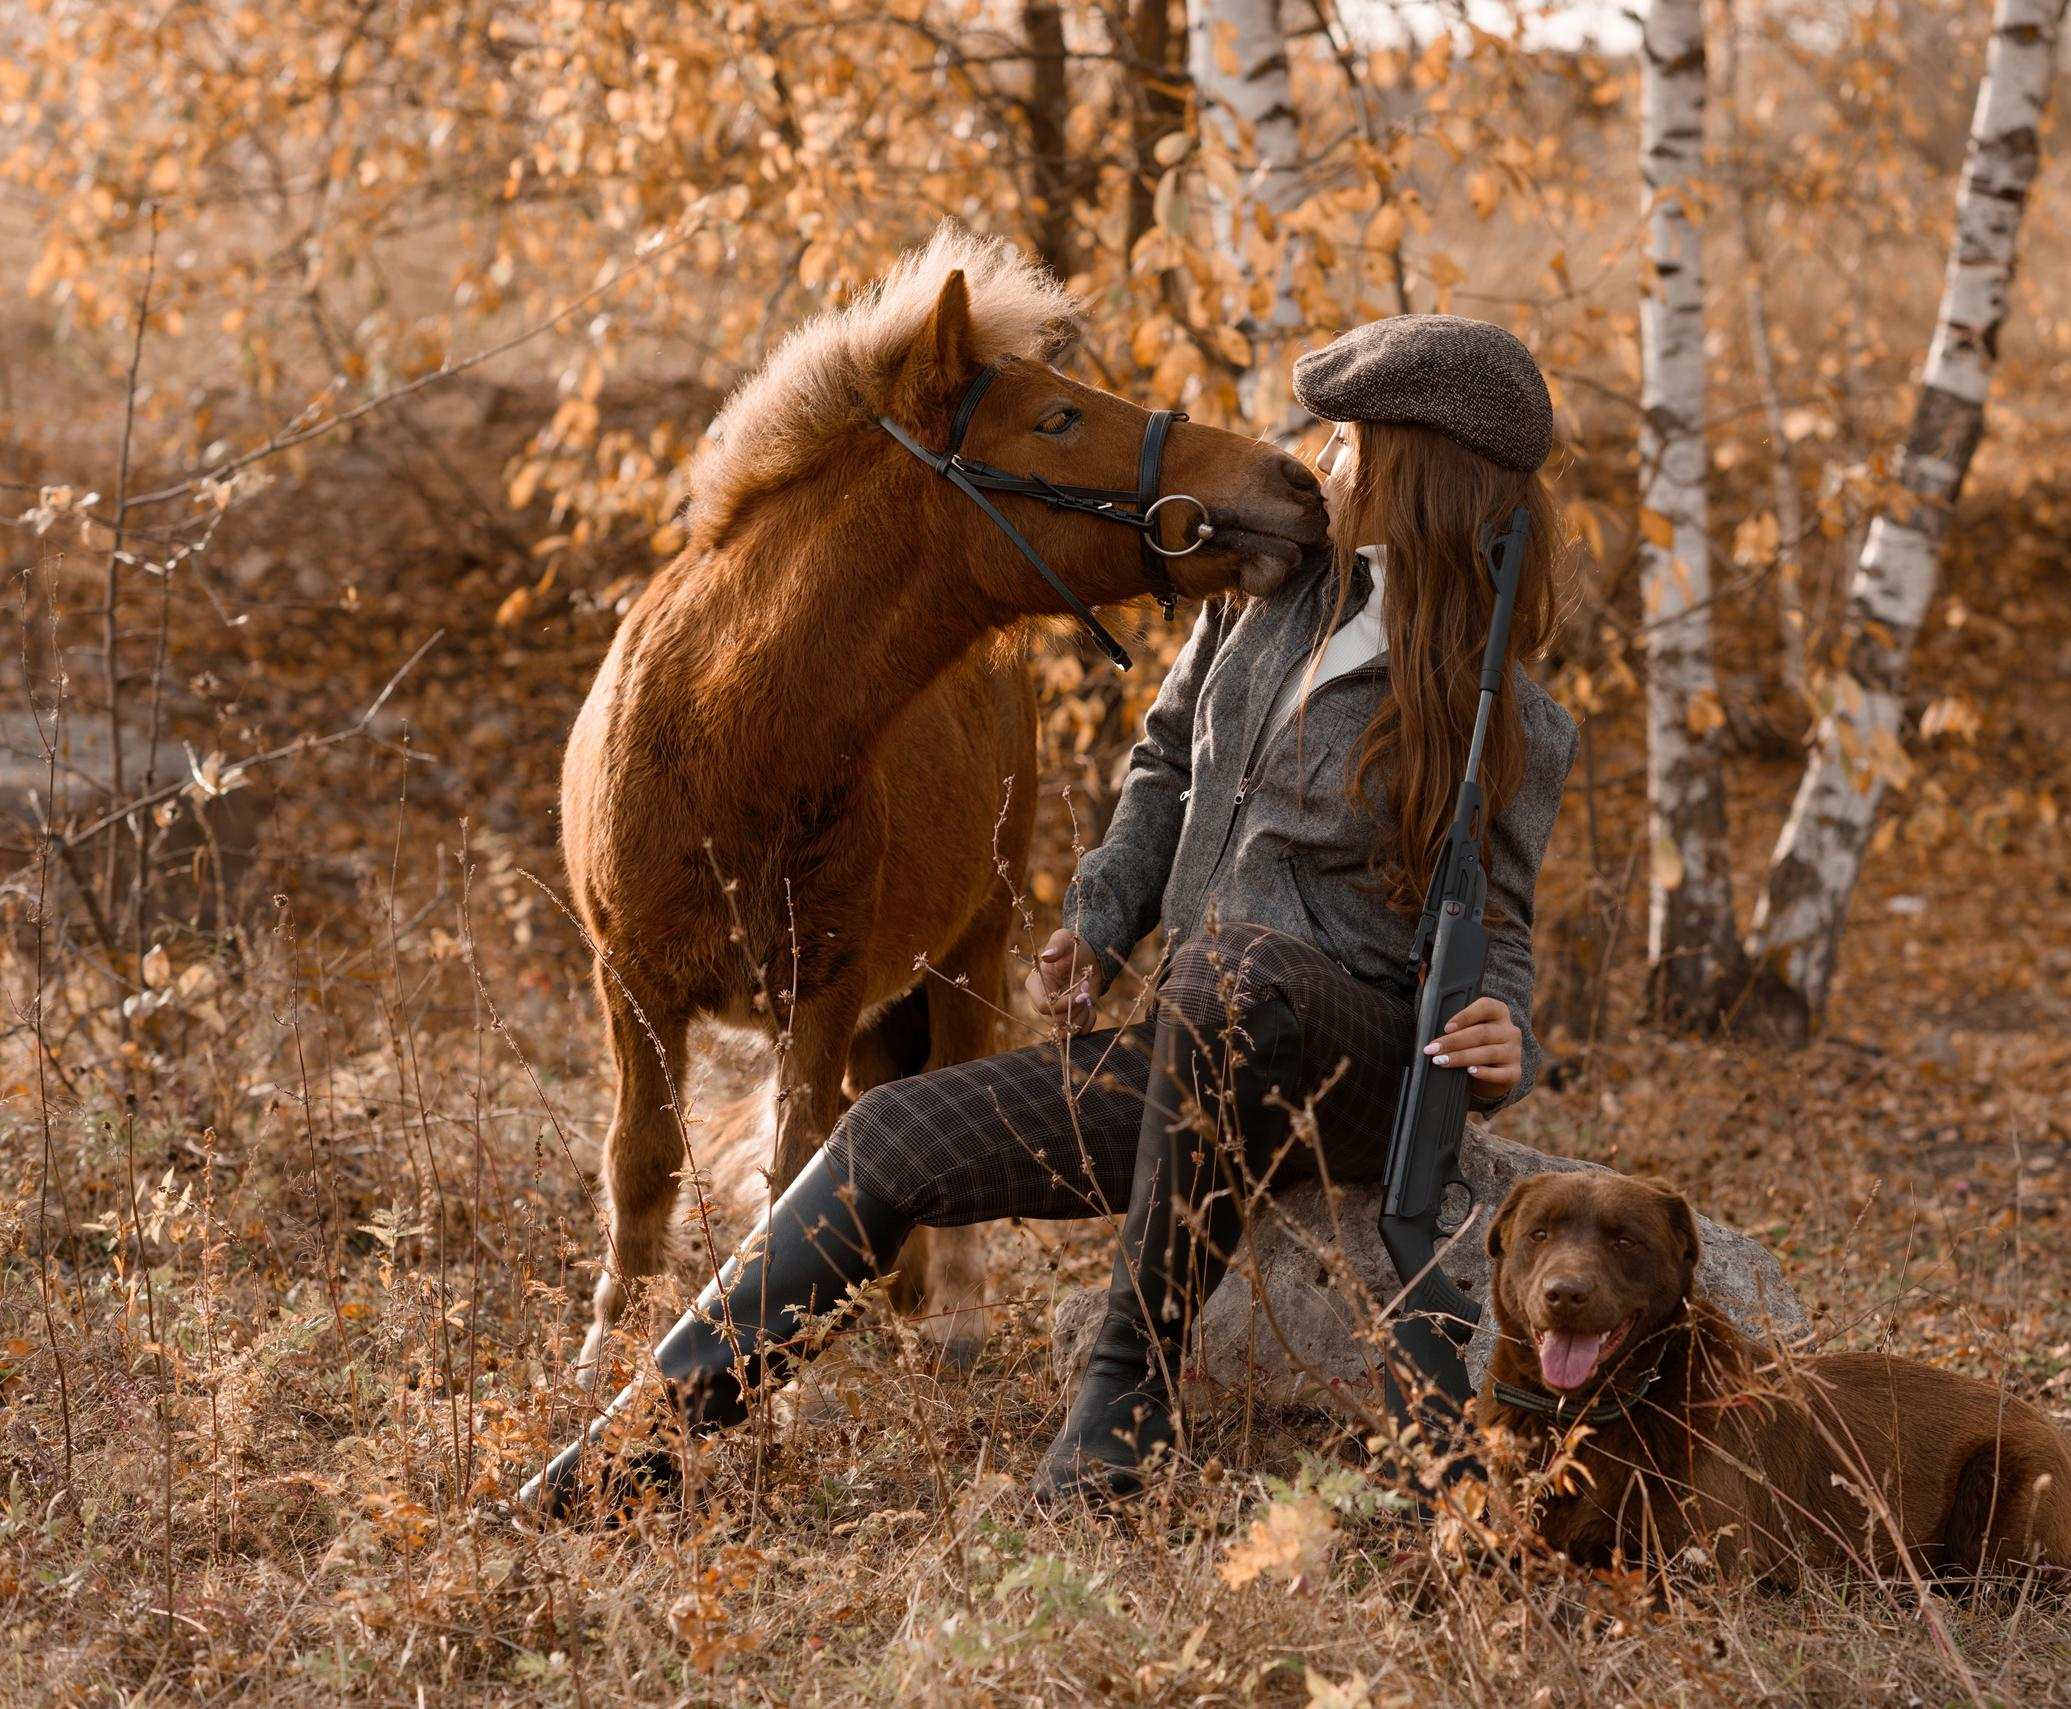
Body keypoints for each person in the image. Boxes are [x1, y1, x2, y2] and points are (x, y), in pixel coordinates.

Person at [522, 314, 1578, 1516]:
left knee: (1234, 980)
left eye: (1347, 442)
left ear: (1418, 474)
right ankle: (633, 1452)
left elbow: (1500, 927)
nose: (1317, 459)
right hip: (1207, 1049)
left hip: (1351, 1059)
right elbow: (1168, 767)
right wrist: (1100, 917)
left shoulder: (1518, 722)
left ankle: (1111, 1422)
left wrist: (1507, 1036)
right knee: (890, 1139)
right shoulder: (1260, 607)